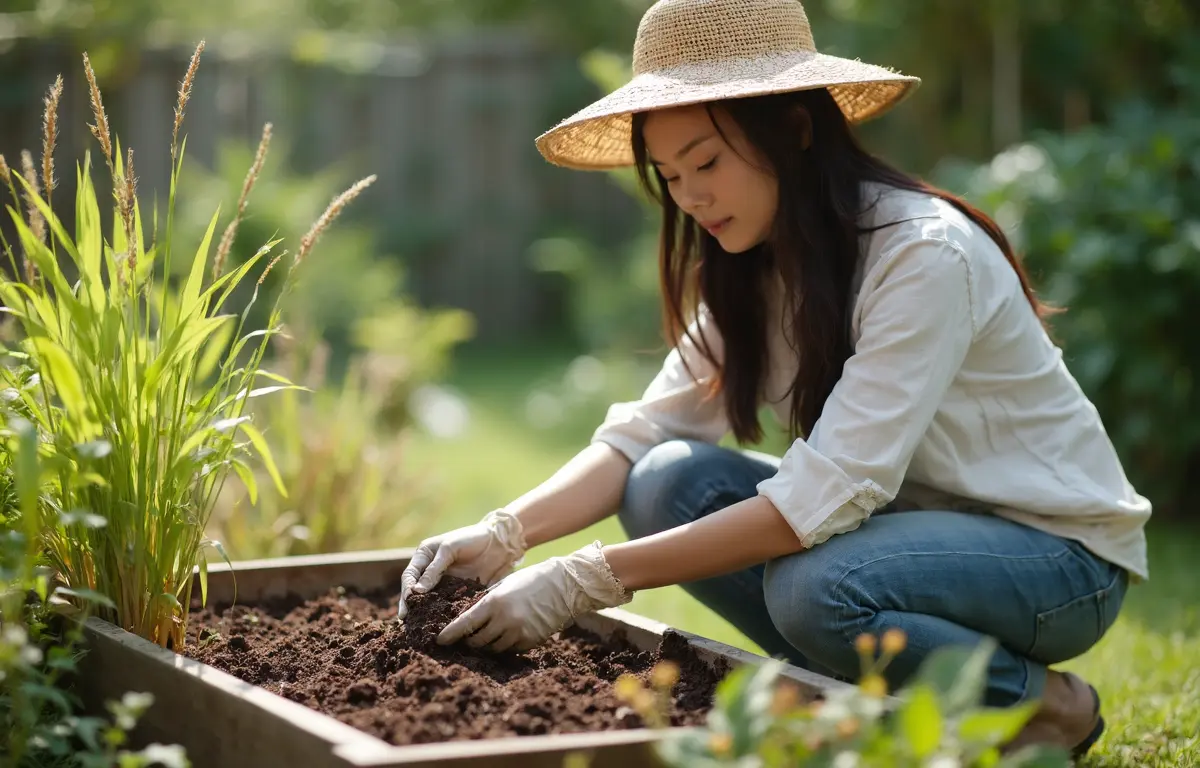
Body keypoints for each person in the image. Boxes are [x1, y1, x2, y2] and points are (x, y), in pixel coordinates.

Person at [397, 0, 1151, 757]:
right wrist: (505, 533)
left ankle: (1041, 706)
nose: (689, 195)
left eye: (708, 162)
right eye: (670, 174)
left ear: (792, 130)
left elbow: (821, 498)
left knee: (815, 588)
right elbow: (644, 433)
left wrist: (583, 578)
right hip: (901, 540)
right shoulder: (754, 269)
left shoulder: (923, 255)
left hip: (1056, 558)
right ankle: (858, 692)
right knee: (664, 480)